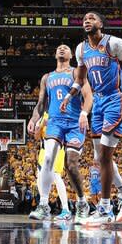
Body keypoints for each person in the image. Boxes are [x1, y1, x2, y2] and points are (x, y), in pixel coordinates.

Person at [60, 11, 122, 225]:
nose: (87, 21)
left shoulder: (115, 43)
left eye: (92, 18)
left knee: (105, 155)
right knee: (99, 157)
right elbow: (80, 79)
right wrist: (69, 96)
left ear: (101, 24)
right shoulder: (81, 49)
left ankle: (105, 208)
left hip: (115, 98)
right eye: (84, 19)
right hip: (97, 102)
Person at [27, 44, 93, 223]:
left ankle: (82, 202)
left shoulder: (76, 73)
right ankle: (43, 205)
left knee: (71, 165)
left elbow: (88, 96)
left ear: (71, 55)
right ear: (55, 54)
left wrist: (84, 113)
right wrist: (34, 119)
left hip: (74, 123)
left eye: (66, 48)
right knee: (48, 158)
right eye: (59, 48)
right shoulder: (47, 77)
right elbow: (41, 103)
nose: (62, 49)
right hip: (55, 122)